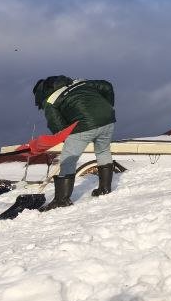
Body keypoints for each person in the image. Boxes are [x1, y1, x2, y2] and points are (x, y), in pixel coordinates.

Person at [32, 76, 117, 210]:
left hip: (83, 125)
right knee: (103, 151)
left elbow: (57, 125)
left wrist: (68, 139)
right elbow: (107, 85)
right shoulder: (81, 83)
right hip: (107, 120)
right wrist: (107, 106)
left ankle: (62, 200)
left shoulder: (51, 100)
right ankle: (104, 189)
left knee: (68, 159)